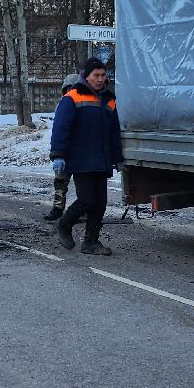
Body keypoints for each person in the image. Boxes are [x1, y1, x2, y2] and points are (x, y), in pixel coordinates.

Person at [50, 57, 122, 255]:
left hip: (102, 158)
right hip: (81, 159)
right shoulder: (72, 97)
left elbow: (114, 132)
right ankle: (64, 224)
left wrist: (118, 157)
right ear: (86, 76)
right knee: (87, 199)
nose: (100, 79)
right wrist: (58, 154)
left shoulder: (109, 99)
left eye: (103, 75)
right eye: (96, 75)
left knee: (100, 204)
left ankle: (91, 242)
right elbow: (61, 128)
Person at [44, 73, 80, 221]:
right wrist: (58, 153)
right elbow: (59, 129)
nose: (71, 91)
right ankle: (58, 208)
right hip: (65, 150)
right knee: (60, 182)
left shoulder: (81, 103)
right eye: (68, 88)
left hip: (78, 150)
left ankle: (80, 209)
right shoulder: (64, 104)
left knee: (82, 184)